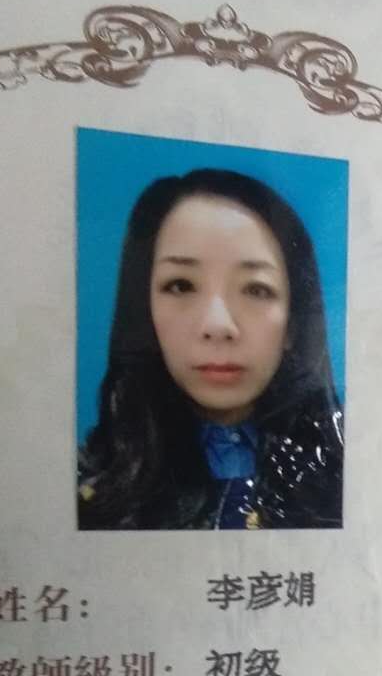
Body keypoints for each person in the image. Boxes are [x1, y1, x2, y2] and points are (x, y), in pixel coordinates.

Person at [78, 168, 343, 529]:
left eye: (256, 289)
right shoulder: (91, 487)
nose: (218, 325)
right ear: (144, 311)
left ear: (294, 325)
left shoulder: (347, 474)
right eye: (181, 286)